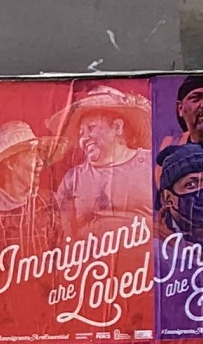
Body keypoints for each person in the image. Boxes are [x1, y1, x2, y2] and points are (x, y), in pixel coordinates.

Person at [50, 85, 153, 237]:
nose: (84, 138)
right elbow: (64, 235)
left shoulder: (151, 164)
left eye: (91, 128)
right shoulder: (73, 179)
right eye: (81, 133)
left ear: (117, 127)